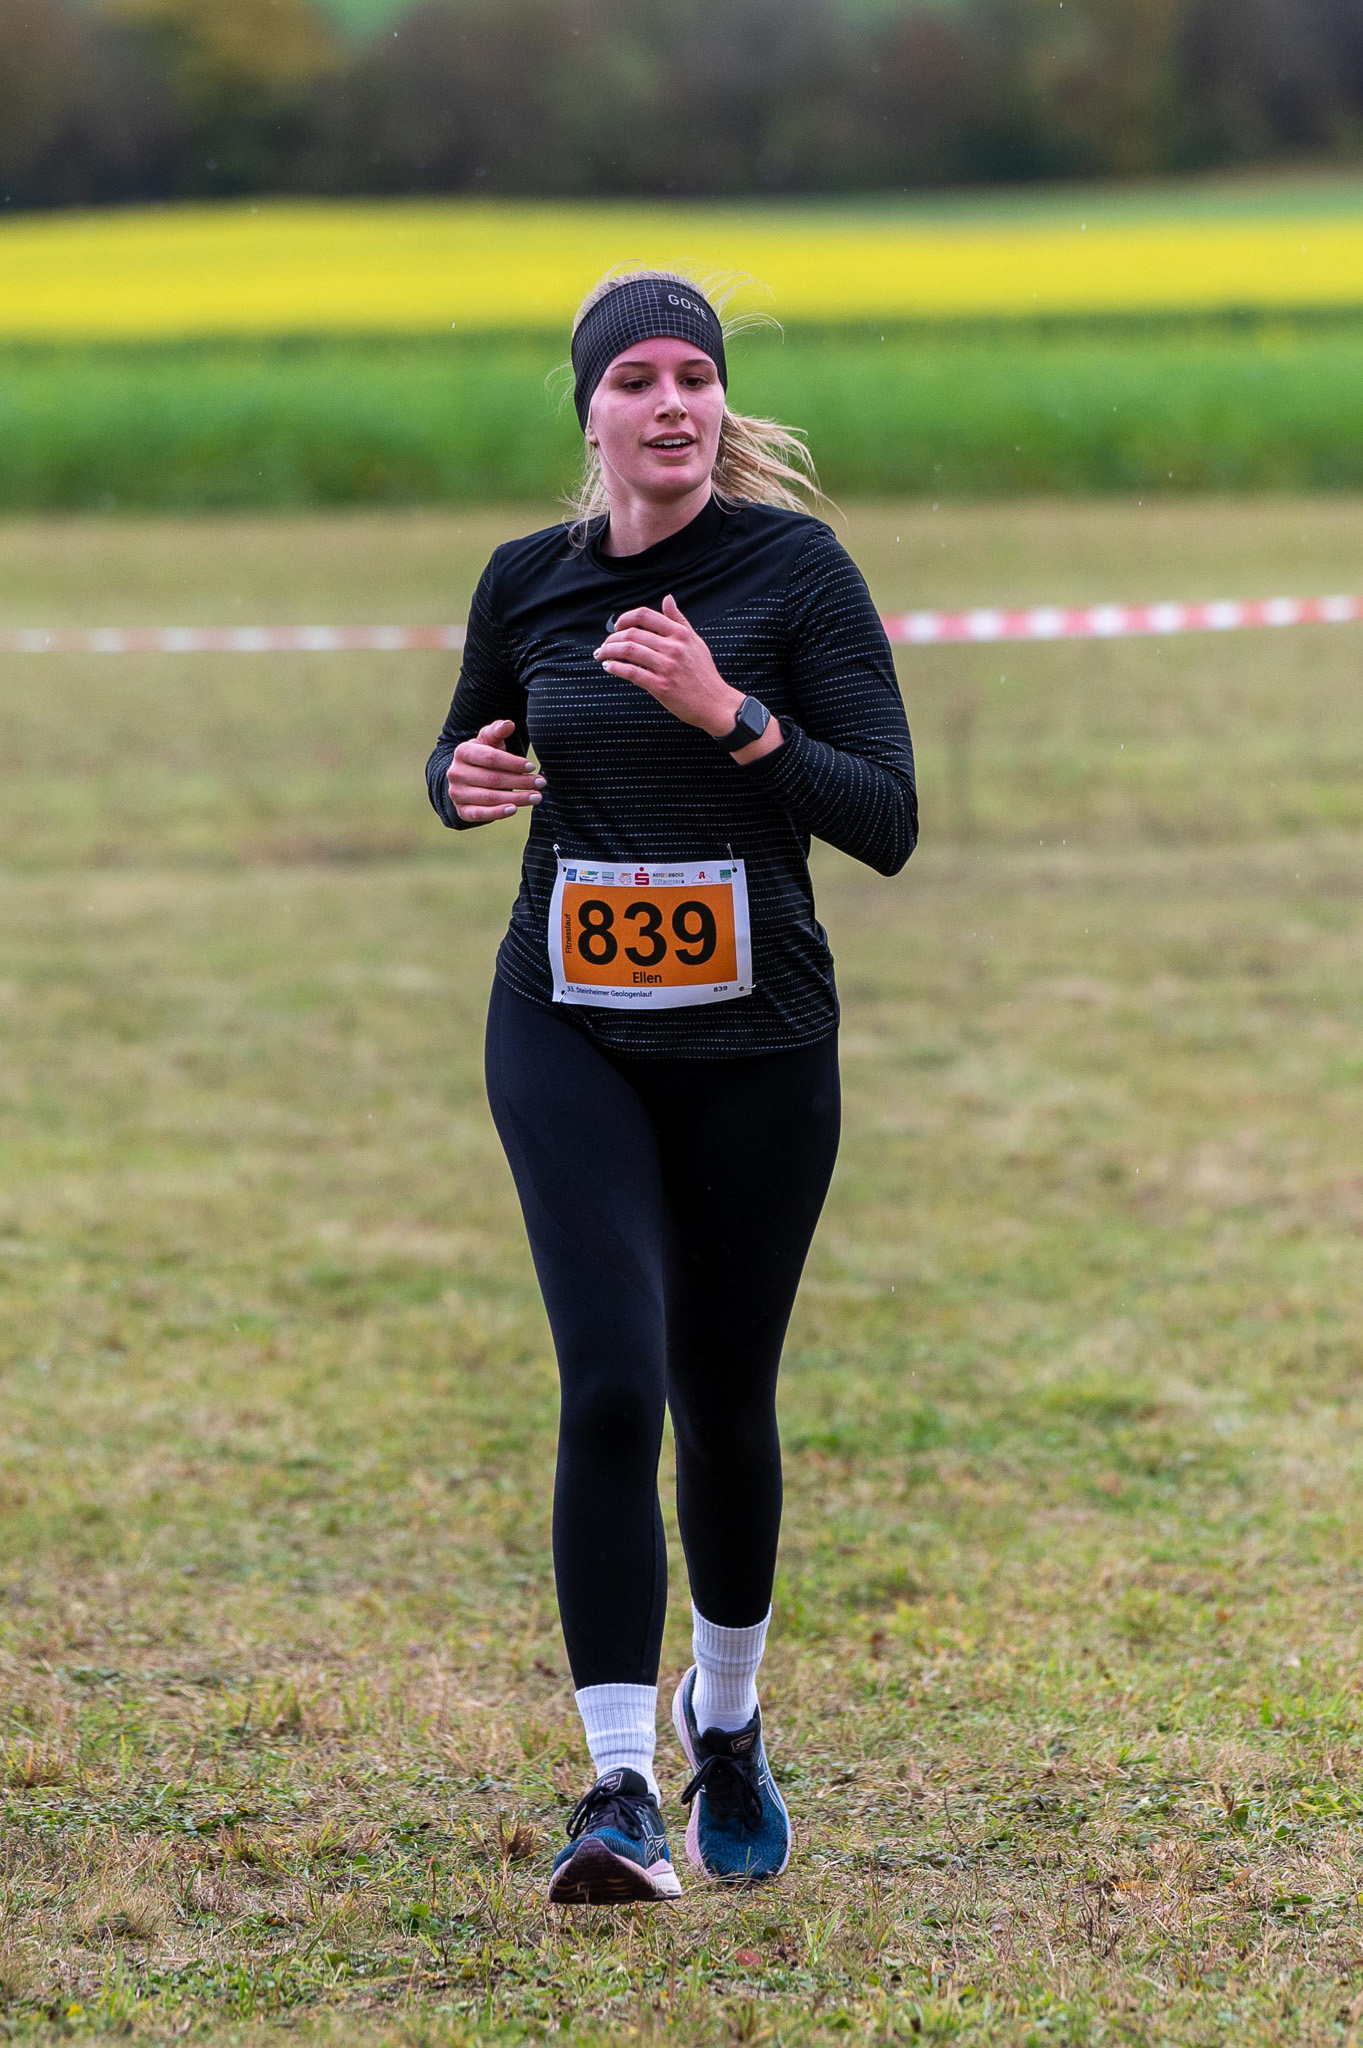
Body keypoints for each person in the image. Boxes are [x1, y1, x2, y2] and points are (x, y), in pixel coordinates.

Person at [426, 269, 916, 1905]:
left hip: (758, 1045)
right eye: (634, 377)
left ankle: (731, 1722)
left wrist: (733, 716)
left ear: (722, 404)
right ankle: (620, 1789)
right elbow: (469, 748)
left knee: (721, 1398)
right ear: (590, 411)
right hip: (564, 1024)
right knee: (611, 1385)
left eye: (693, 376)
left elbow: (887, 817)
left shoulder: (796, 573)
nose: (671, 403)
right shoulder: (530, 579)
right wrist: (460, 778)